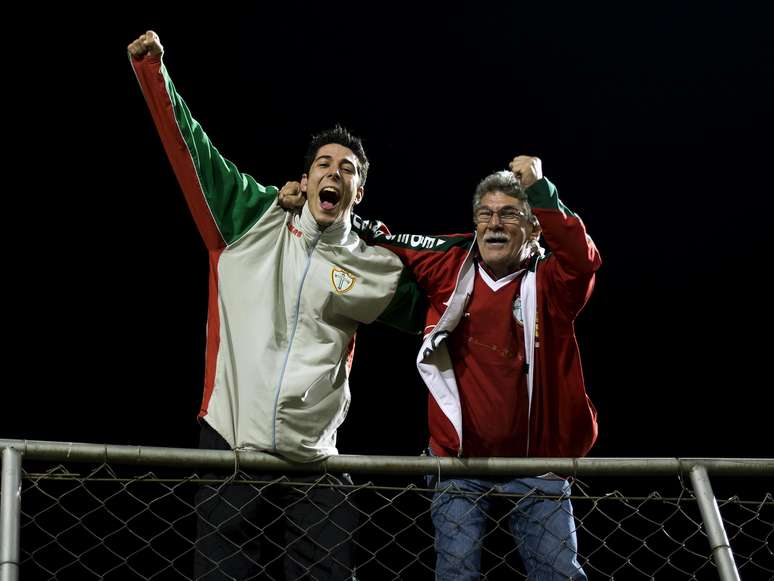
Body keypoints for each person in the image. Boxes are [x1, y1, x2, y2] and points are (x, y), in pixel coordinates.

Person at [127, 31, 423, 580]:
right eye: (324, 164)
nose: (334, 171)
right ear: (305, 178)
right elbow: (195, 151)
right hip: (230, 441)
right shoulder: (249, 218)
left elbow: (441, 304)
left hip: (315, 459)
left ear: (359, 192)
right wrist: (154, 71)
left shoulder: (372, 265)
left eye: (348, 168)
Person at [280, 156, 600, 579]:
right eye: (484, 214)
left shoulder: (552, 282)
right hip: (457, 465)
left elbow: (583, 258)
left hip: (537, 466)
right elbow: (377, 236)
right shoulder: (451, 263)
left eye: (508, 213)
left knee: (559, 573)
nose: (494, 224)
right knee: (455, 574)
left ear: (534, 226)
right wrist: (296, 201)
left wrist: (541, 189)